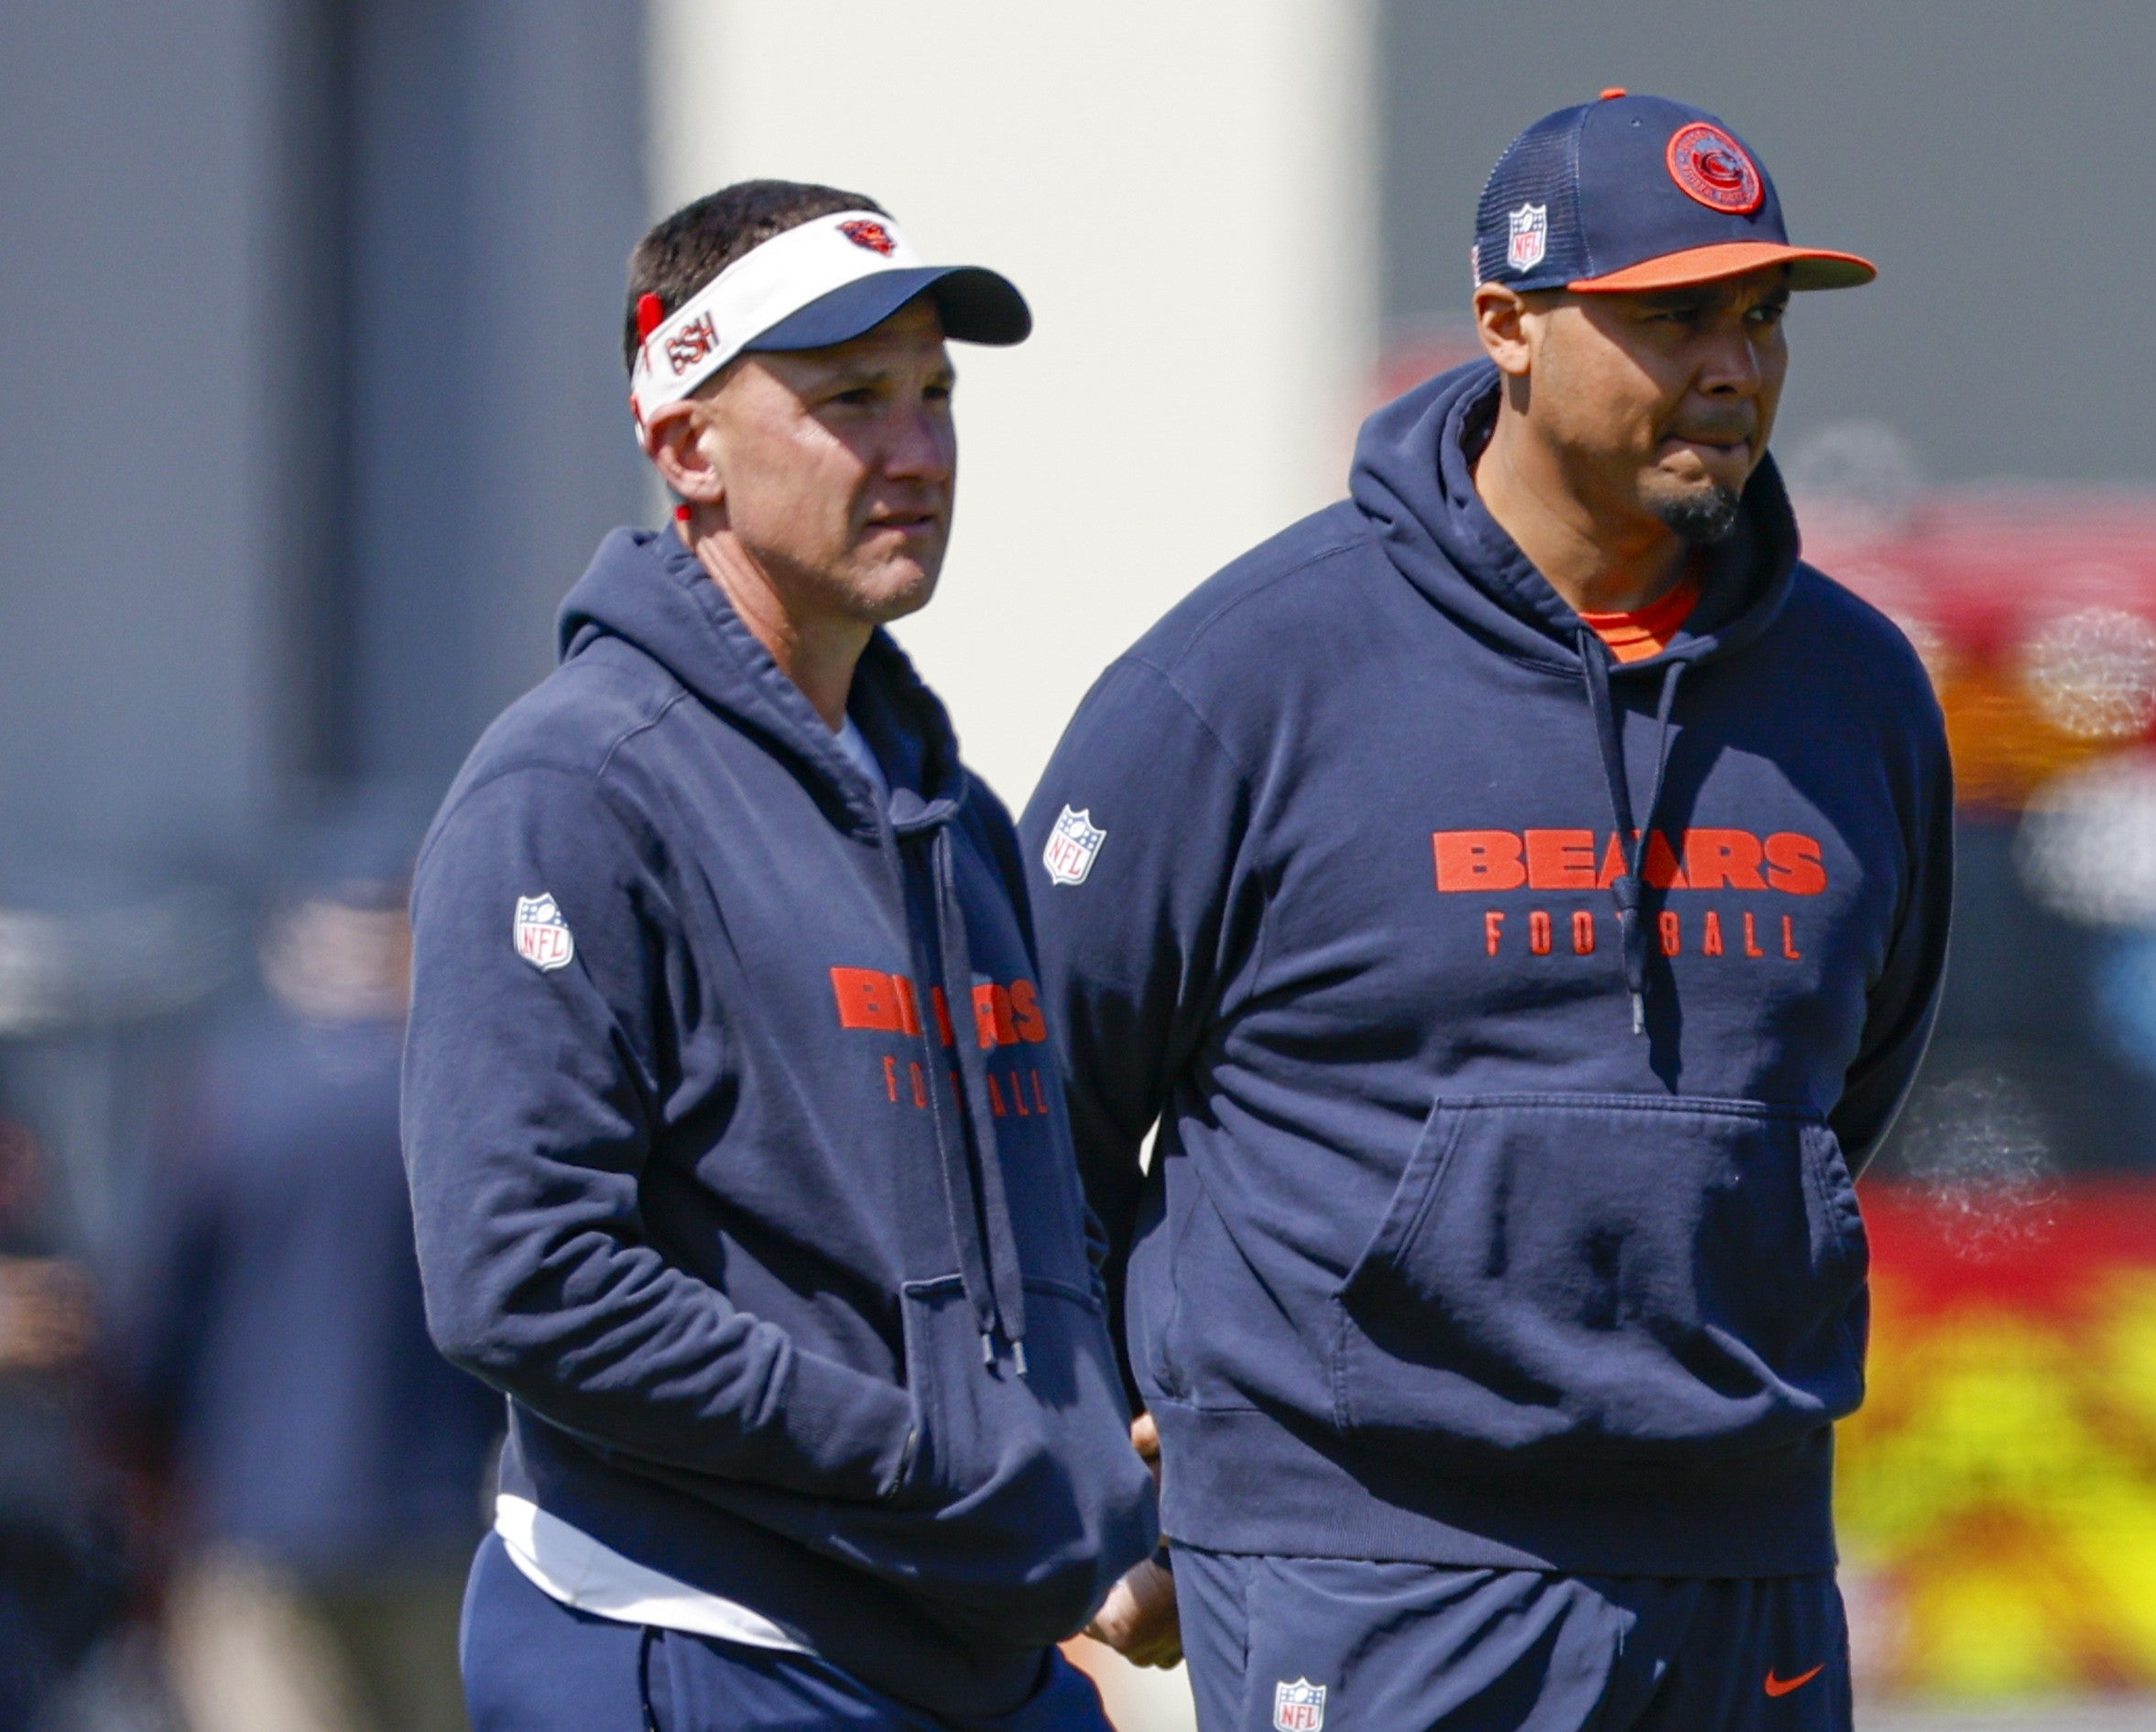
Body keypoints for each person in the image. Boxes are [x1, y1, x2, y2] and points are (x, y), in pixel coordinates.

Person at [1023, 91, 1953, 1730]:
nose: (1734, 368)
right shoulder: (1251, 674)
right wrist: (1098, 1465)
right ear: (1507, 326)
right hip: (1367, 1554)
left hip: (1741, 1551)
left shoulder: (1858, 692)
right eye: (1671, 318)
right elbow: (1037, 1105)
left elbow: (1828, 1088)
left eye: (1759, 317)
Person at [403, 180, 1158, 1732]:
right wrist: (931, 1454)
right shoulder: (573, 789)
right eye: (850, 400)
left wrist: (1098, 1480)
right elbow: (523, 1279)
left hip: (978, 1652)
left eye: (935, 394)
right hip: (709, 1645)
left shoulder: (953, 813)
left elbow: (1046, 1221)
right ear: (688, 447)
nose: (917, 450)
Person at [119, 812, 499, 1732]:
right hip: (441, 1517)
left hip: (258, 1525)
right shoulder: (466, 1093)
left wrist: (148, 1486)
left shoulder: (225, 1095)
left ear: (296, 944)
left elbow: (151, 1330)